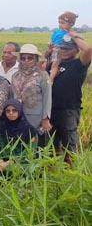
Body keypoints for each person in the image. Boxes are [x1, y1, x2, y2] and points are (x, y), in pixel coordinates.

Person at [49, 33, 91, 161]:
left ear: (76, 50)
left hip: (69, 110)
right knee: (52, 142)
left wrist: (72, 34)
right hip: (51, 109)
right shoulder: (54, 64)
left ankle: (70, 171)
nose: (64, 51)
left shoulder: (79, 65)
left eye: (68, 48)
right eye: (62, 48)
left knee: (70, 143)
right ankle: (52, 170)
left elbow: (88, 49)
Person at [11, 44, 52, 143]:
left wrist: (45, 118)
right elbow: (13, 96)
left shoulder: (43, 75)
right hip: (18, 115)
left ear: (36, 59)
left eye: (30, 58)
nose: (26, 61)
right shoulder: (15, 75)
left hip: (35, 117)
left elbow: (47, 98)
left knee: (35, 144)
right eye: (23, 58)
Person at [0, 99, 38, 173]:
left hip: (22, 162)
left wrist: (9, 162)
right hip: (1, 162)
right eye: (7, 111)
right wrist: (0, 161)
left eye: (14, 110)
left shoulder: (30, 130)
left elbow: (30, 151)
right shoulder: (1, 126)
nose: (11, 113)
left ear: (20, 111)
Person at [48, 11, 78, 83]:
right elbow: (51, 39)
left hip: (61, 50)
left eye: (62, 23)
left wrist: (75, 36)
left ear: (71, 24)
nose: (60, 25)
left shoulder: (71, 33)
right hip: (54, 49)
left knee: (55, 65)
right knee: (48, 64)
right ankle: (54, 74)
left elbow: (80, 39)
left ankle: (50, 79)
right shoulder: (57, 31)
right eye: (59, 22)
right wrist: (50, 44)